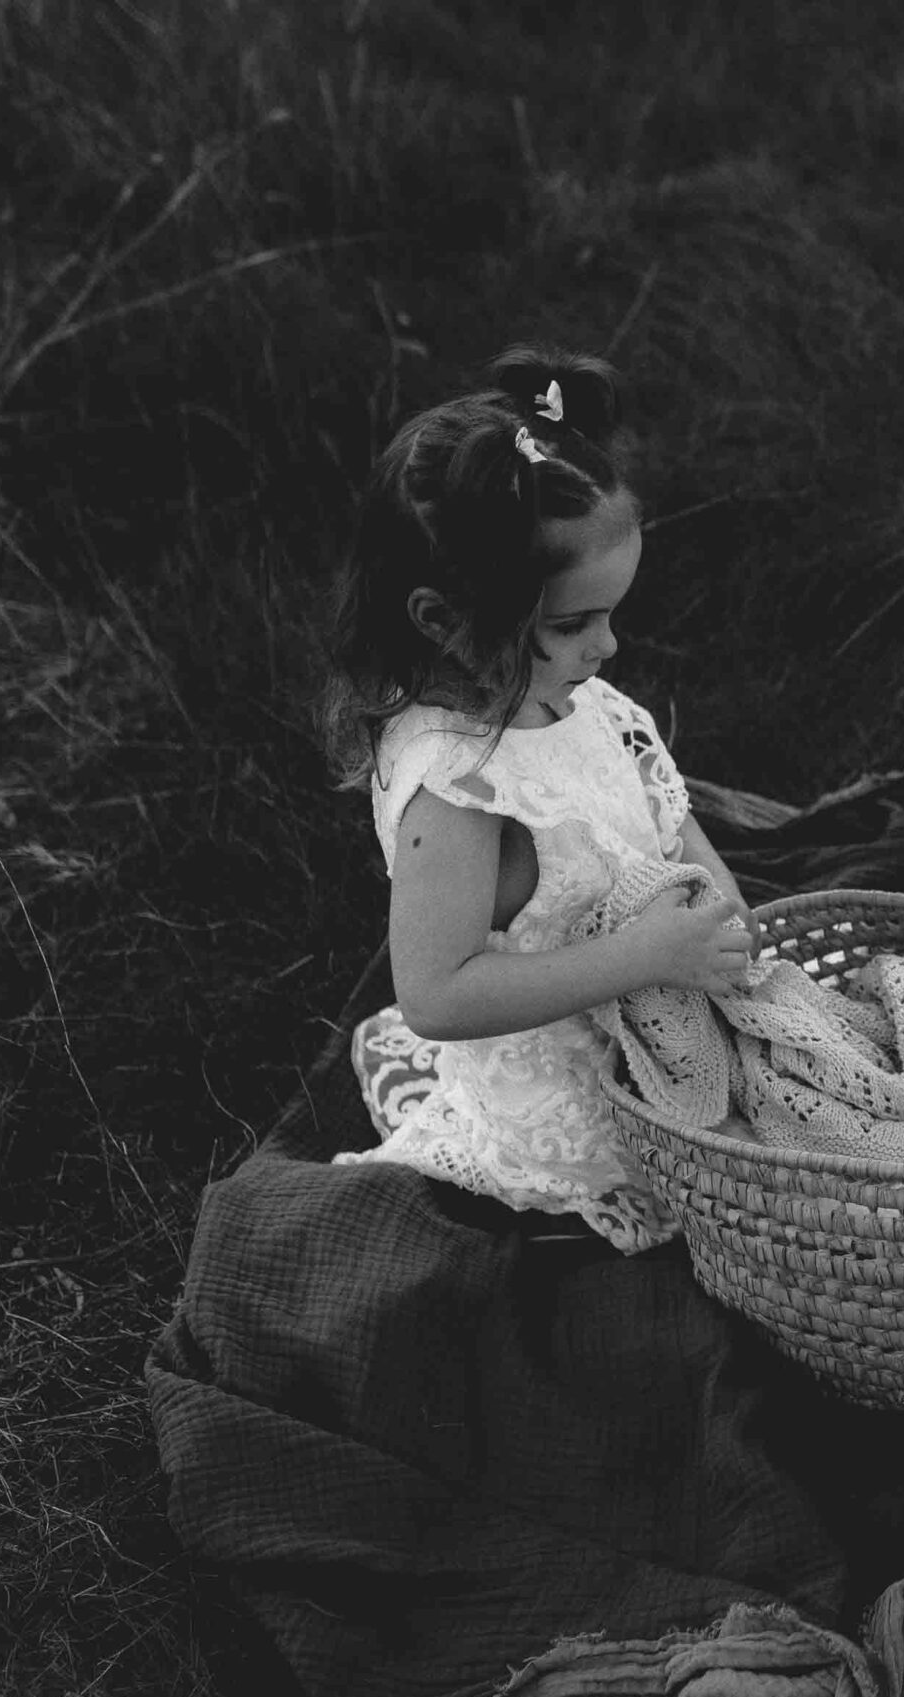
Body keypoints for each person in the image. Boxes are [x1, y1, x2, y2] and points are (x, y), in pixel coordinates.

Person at [317, 347, 759, 1251]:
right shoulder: (459, 785)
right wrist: (645, 956)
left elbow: (670, 824)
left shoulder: (573, 697)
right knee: (774, 1182)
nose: (608, 646)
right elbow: (437, 996)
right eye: (572, 624)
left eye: (611, 614)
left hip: (668, 1016)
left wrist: (722, 913)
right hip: (579, 1091)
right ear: (443, 621)